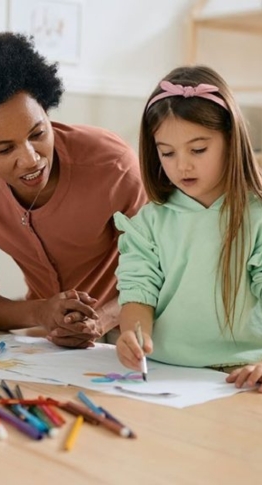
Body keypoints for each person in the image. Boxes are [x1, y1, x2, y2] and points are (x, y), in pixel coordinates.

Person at [0, 32, 146, 348]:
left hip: (133, 330)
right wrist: (41, 313)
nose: (31, 159)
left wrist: (99, 321)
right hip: (49, 340)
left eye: (37, 133)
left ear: (46, 109)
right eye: (5, 149)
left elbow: (161, 274)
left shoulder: (112, 165)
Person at [114, 65, 262, 392]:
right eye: (167, 153)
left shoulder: (257, 217)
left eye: (198, 150)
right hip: (166, 371)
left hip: (245, 372)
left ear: (230, 139)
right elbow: (138, 292)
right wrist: (133, 337)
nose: (182, 165)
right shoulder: (149, 223)